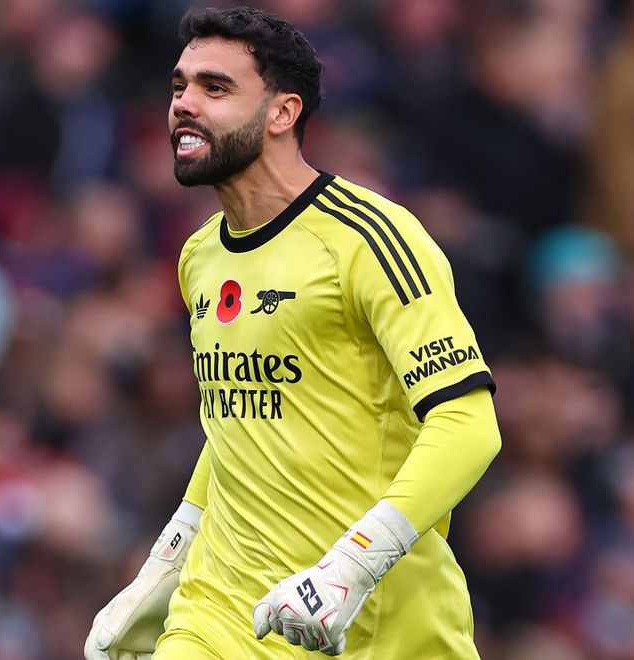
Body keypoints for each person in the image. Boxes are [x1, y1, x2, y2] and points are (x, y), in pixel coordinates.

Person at [84, 6, 501, 659]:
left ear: (282, 112)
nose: (183, 104)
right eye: (179, 87)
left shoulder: (370, 239)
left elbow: (468, 424)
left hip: (367, 622)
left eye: (215, 88)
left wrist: (352, 566)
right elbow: (235, 427)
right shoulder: (200, 256)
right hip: (221, 615)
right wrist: (164, 566)